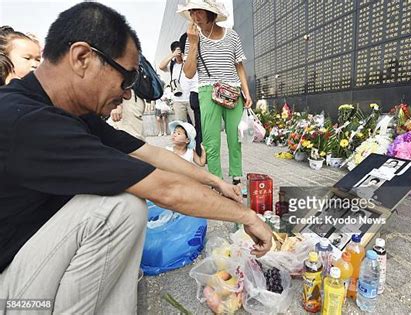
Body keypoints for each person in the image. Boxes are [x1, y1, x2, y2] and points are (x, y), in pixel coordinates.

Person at [0, 3, 272, 314]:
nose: (129, 94)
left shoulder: (66, 112)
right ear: (82, 58)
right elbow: (163, 188)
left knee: (123, 217)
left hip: (29, 263)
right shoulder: (27, 121)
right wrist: (249, 217)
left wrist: (214, 181)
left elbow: (149, 154)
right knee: (119, 208)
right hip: (10, 292)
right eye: (127, 79)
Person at [179, 0, 253, 188]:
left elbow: (239, 66)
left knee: (235, 137)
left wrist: (246, 92)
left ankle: (236, 178)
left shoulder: (232, 35)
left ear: (210, 13)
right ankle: (216, 182)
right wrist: (194, 43)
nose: (195, 16)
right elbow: (188, 73)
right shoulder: (191, 38)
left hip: (233, 91)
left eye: (199, 12)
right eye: (192, 12)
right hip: (207, 90)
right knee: (211, 140)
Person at [158, 40, 196, 125]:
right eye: (177, 51)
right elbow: (161, 66)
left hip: (191, 98)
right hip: (178, 100)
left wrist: (185, 58)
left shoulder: (188, 63)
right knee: (182, 126)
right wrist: (172, 55)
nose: (179, 53)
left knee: (197, 124)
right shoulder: (172, 66)